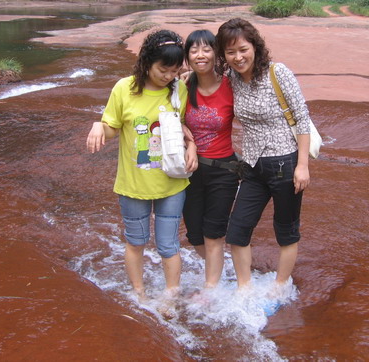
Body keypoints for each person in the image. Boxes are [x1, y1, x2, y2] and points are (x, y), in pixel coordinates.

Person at [86, 29, 197, 315]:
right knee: (135, 242)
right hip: (133, 185)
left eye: (175, 70)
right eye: (163, 69)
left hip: (171, 183)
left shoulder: (179, 89)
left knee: (168, 245)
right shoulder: (124, 88)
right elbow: (111, 128)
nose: (168, 76)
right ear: (147, 61)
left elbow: (185, 127)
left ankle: (170, 296)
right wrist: (98, 126)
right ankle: (139, 294)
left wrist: (193, 147)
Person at [215, 18, 311, 297]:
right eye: (230, 52)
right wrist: (187, 77)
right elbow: (206, 81)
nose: (238, 57)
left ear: (255, 47)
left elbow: (302, 119)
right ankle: (245, 289)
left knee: (286, 228)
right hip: (252, 166)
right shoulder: (232, 79)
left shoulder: (277, 73)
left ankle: (280, 286)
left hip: (285, 163)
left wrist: (303, 166)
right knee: (237, 230)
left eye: (243, 49)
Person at [182, 29, 240, 289]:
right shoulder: (182, 87)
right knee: (195, 235)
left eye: (206, 49)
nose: (200, 55)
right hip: (189, 171)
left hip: (223, 170)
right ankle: (219, 271)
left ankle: (210, 289)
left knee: (213, 234)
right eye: (194, 50)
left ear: (216, 54)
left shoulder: (231, 86)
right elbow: (167, 119)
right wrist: (189, 140)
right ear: (187, 57)